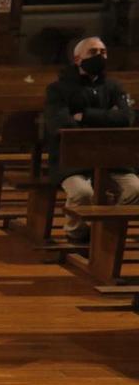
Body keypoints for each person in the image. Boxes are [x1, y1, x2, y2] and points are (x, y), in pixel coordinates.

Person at [44, 36, 138, 243]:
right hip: (73, 161)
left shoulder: (114, 87)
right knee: (82, 193)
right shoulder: (59, 89)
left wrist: (85, 116)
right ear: (78, 59)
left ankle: (107, 232)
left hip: (113, 159)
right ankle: (77, 236)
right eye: (93, 52)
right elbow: (61, 124)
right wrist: (107, 119)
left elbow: (127, 118)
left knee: (135, 189)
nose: (100, 56)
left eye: (103, 52)